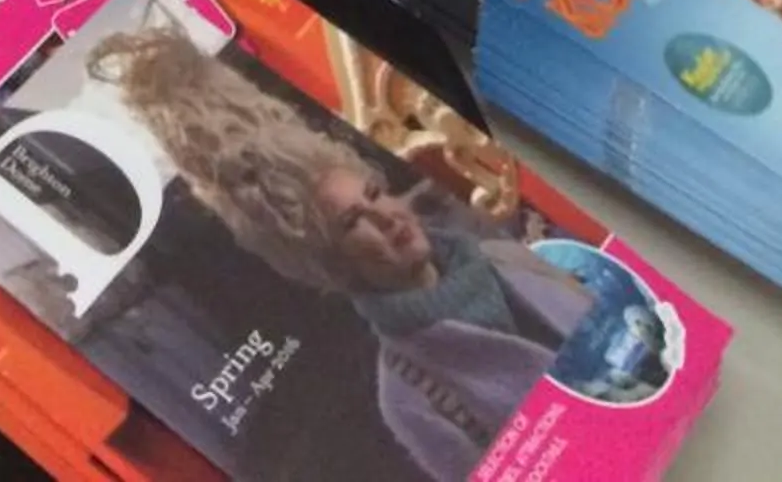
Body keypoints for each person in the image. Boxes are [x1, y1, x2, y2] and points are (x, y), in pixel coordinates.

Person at [89, 26, 588, 482]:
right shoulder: (409, 397)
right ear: (329, 261)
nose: (385, 216)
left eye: (373, 193)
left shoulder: (510, 256)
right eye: (353, 222)